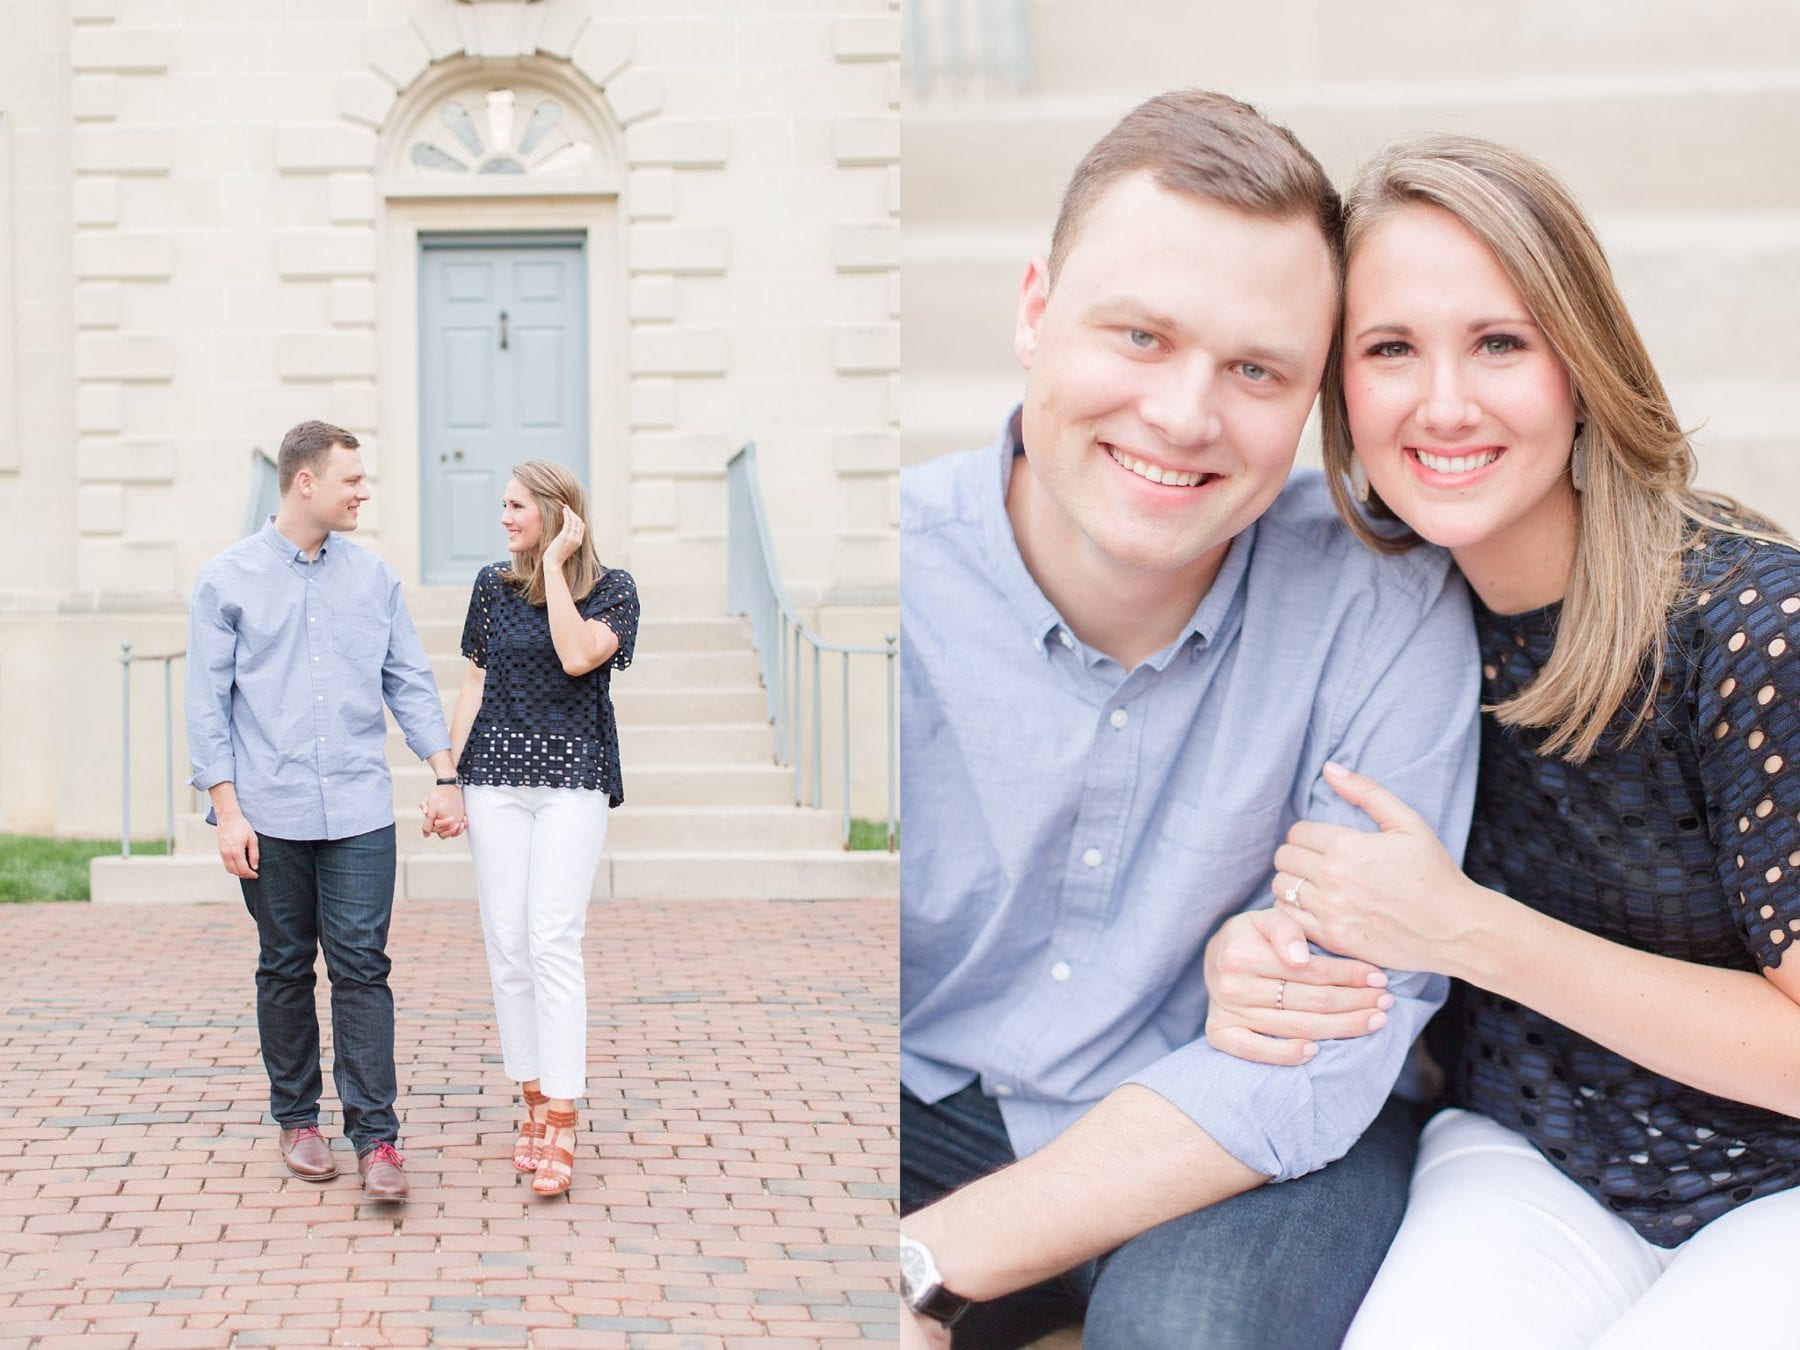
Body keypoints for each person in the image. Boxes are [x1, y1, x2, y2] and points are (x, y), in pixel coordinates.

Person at [898, 91, 1484, 1350]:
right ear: (1035, 310)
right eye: (1142, 336)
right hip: (924, 1091)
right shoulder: (897, 576)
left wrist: (927, 1261)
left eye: (1257, 369)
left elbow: (1329, 1038)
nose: (1183, 416)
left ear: (1313, 392)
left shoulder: (1384, 606)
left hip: (1239, 1119)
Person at [1203, 136, 1800, 1349]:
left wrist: (1471, 932)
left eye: (1499, 342)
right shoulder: (1374, 611)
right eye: (1390, 350)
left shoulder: (1750, 626)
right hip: (1527, 1151)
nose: (1445, 404)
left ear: (1580, 363)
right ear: (1339, 393)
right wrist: (1259, 956)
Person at [186, 419, 465, 1203]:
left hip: (357, 809)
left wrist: (443, 773)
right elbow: (206, 707)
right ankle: (298, 1120)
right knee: (283, 966)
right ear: (305, 481)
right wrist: (227, 812)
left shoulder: (373, 579)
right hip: (267, 815)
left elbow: (408, 678)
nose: (363, 491)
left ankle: (377, 1138)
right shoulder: (226, 579)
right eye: (351, 479)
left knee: (361, 969)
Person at [447, 459, 639, 1197]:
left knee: (553, 937)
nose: (504, 518)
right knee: (508, 944)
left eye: (518, 506)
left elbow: (575, 654)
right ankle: (529, 1098)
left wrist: (556, 568)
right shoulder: (491, 588)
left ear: (559, 515)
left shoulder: (612, 589)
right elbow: (475, 681)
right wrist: (448, 777)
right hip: (494, 778)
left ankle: (562, 1115)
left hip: (572, 782)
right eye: (503, 505)